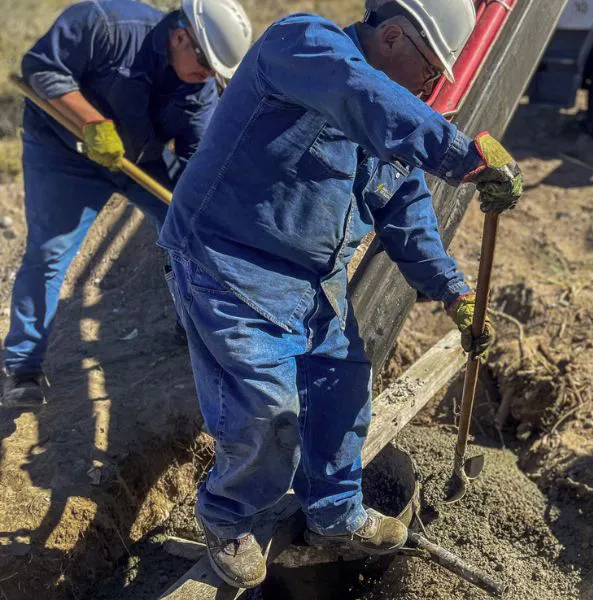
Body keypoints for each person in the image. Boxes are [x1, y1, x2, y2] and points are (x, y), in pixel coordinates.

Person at [157, 0, 523, 588]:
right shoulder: (305, 45)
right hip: (228, 259)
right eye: (431, 71)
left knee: (341, 389)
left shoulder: (389, 114)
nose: (430, 87)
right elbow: (360, 93)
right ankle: (228, 517)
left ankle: (336, 514)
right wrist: (464, 158)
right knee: (267, 407)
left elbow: (405, 210)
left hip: (310, 279)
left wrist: (456, 294)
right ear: (395, 38)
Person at [2, 0, 252, 408]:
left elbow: (198, 162)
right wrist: (92, 123)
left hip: (141, 158)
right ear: (180, 36)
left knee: (185, 227)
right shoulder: (106, 24)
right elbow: (40, 68)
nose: (207, 76)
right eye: (206, 64)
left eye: (214, 73)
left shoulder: (199, 88)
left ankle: (192, 325)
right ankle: (24, 367)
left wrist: (207, 210)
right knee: (49, 252)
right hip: (64, 153)